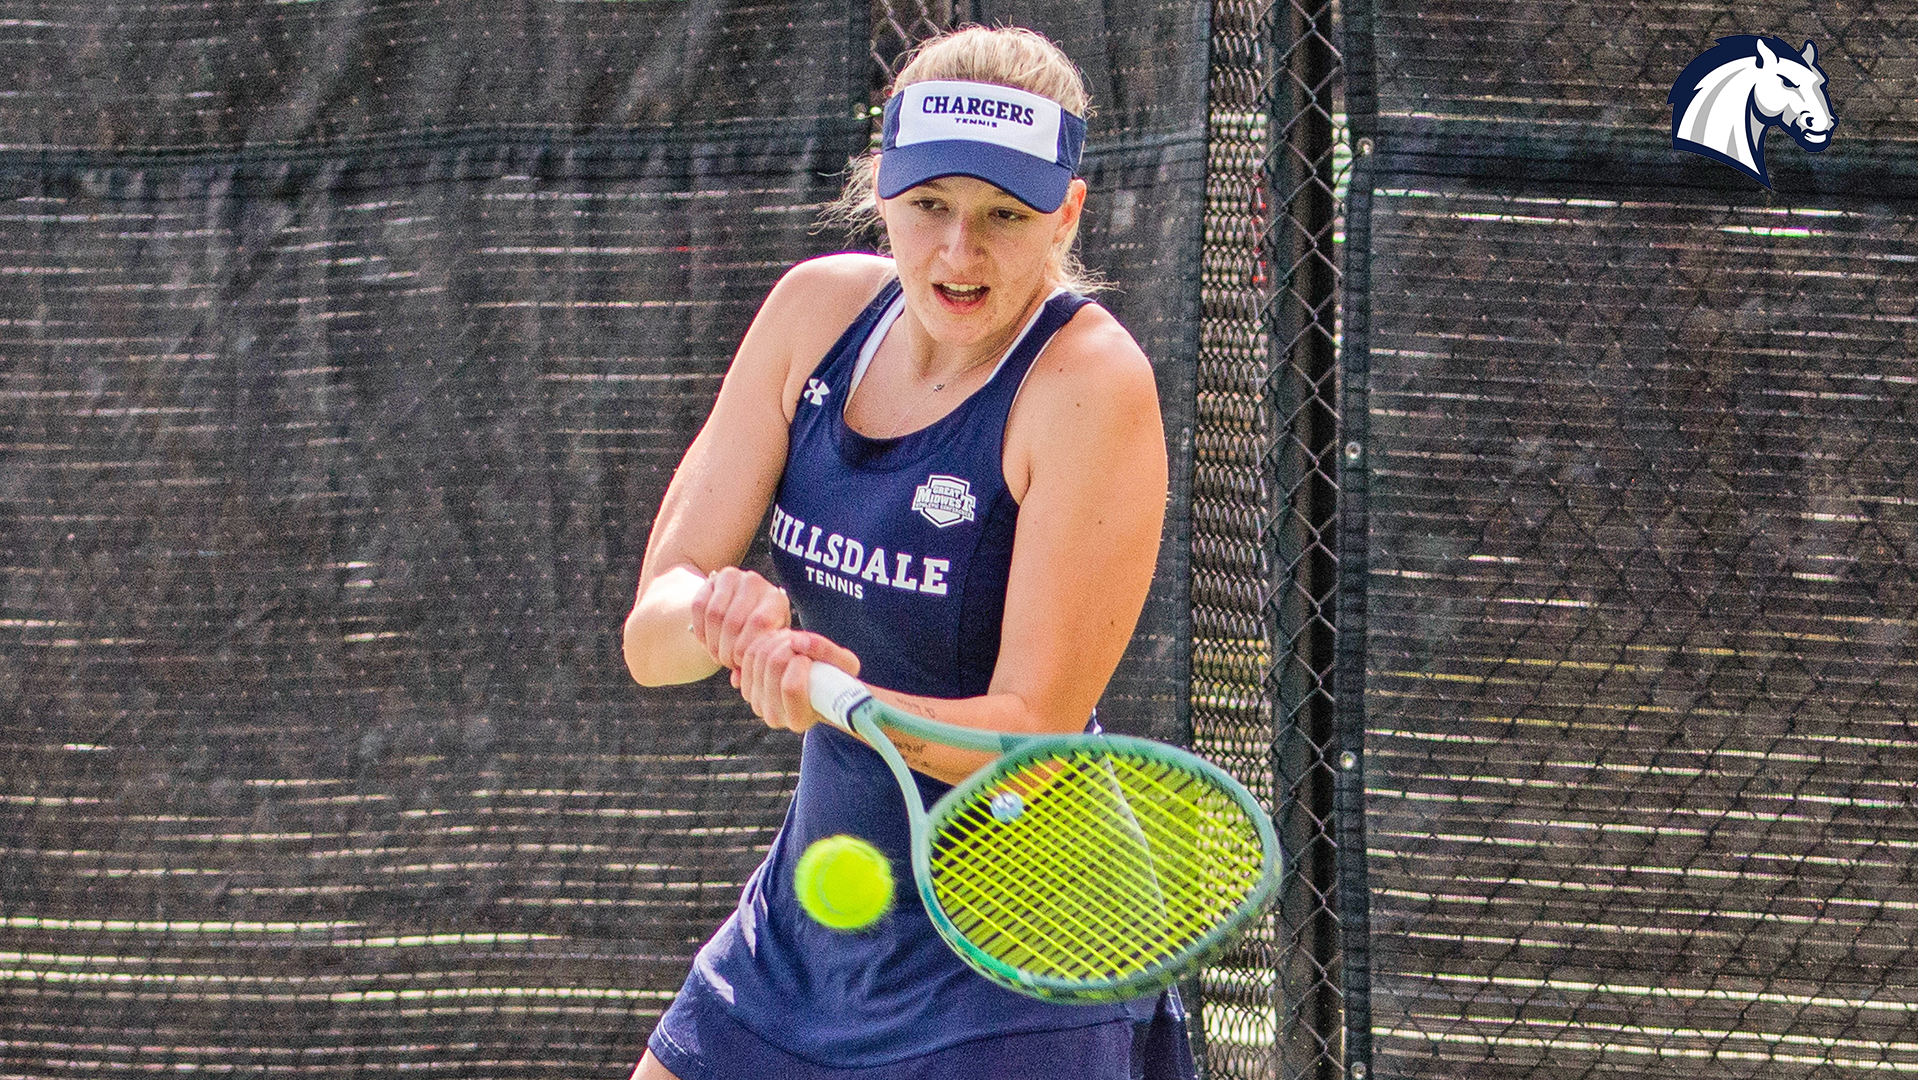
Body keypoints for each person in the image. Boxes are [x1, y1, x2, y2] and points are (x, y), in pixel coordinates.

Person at [621, 25, 1192, 1080]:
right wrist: (719, 618)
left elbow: (1030, 731)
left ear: (1066, 213)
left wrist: (851, 704)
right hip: (806, 929)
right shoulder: (812, 313)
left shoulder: (1090, 384)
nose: (957, 253)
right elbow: (653, 629)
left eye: (1003, 217)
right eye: (928, 205)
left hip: (1025, 954)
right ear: (880, 184)